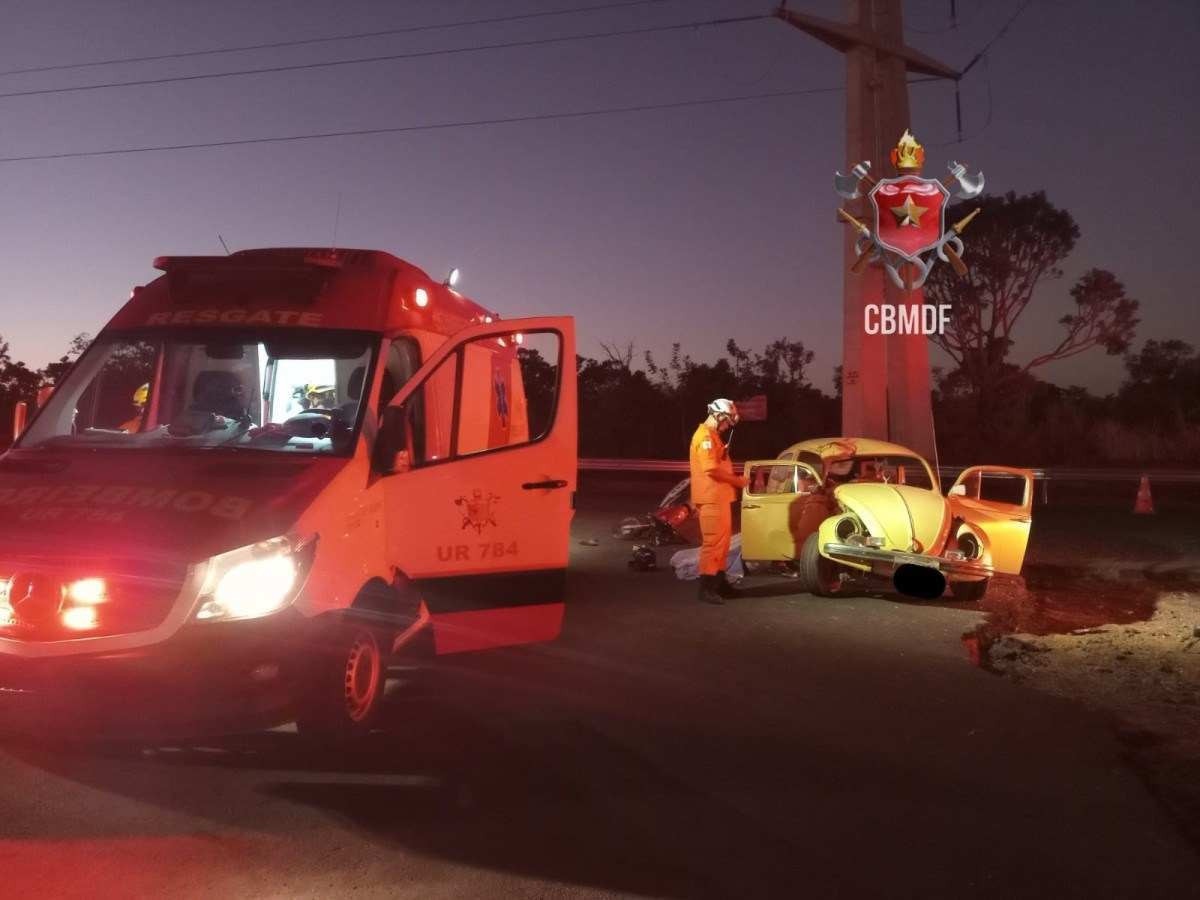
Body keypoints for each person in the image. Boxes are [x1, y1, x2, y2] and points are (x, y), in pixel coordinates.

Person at [689, 398, 748, 605]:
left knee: (722, 545)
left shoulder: (712, 436)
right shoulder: (705, 436)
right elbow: (710, 469)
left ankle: (719, 584)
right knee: (713, 544)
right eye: (726, 422)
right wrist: (738, 481)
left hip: (719, 499)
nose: (726, 426)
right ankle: (707, 588)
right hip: (711, 498)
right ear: (718, 415)